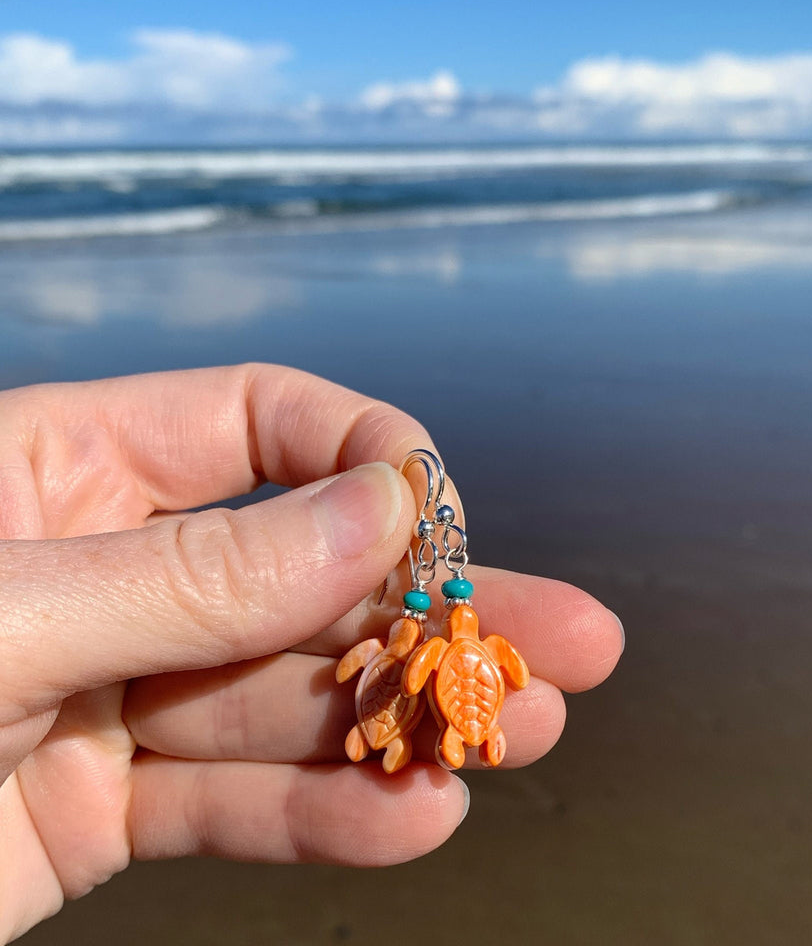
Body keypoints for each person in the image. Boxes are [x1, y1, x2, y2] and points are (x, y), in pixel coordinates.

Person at [0, 363, 624, 942]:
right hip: (431, 673)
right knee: (411, 705)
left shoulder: (430, 655)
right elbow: (431, 671)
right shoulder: (433, 653)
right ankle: (442, 736)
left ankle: (417, 738)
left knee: (413, 700)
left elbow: (430, 671)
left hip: (425, 670)